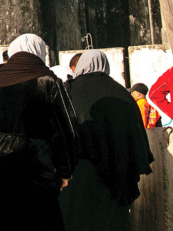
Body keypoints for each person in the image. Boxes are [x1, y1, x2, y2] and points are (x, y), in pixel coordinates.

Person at [0, 34, 76, 231]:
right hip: (35, 170)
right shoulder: (48, 81)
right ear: (39, 53)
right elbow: (65, 131)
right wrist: (65, 172)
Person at [60, 51, 154, 231]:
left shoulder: (68, 90)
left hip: (78, 173)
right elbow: (136, 134)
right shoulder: (122, 93)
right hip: (115, 174)